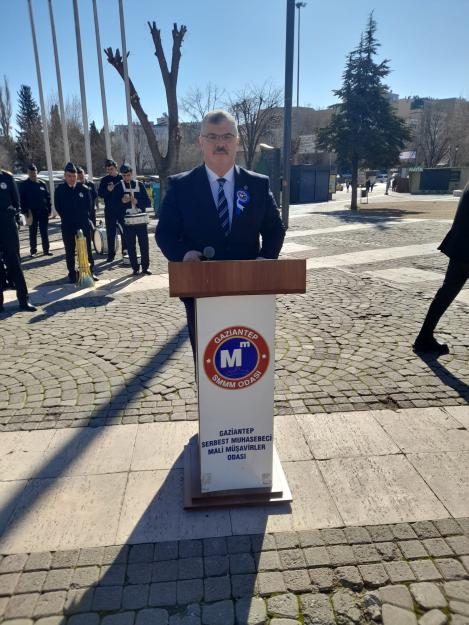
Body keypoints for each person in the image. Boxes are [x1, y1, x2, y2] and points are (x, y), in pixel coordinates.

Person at [155, 109, 285, 356]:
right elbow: (165, 234)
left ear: (237, 141)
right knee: (209, 361)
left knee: (250, 358)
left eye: (227, 136)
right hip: (201, 291)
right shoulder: (181, 186)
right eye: (212, 137)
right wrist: (184, 255)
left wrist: (264, 261)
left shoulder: (257, 185)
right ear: (201, 141)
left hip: (249, 288)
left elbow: (274, 229)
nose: (220, 143)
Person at [413, 183, 469, 355]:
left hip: (460, 246)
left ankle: (424, 337)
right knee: (446, 293)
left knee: (445, 294)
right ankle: (424, 338)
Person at [54, 162, 98, 283]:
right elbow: (58, 207)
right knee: (70, 250)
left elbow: (89, 206)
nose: (72, 178)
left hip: (83, 223)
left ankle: (90, 271)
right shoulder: (60, 190)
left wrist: (82, 217)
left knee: (87, 249)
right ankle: (72, 274)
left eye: (74, 176)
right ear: (65, 176)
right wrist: (67, 218)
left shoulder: (83, 189)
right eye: (69, 176)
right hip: (68, 225)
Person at [0, 168, 36, 312]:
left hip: (7, 226)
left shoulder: (7, 178)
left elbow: (16, 202)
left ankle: (23, 300)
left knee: (14, 262)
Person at [112, 163, 151, 276]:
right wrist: (122, 201)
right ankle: (135, 268)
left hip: (141, 221)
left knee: (144, 244)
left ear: (132, 174)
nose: (126, 178)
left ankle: (145, 267)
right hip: (127, 222)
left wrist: (137, 201)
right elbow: (114, 206)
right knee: (130, 245)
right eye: (124, 176)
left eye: (128, 175)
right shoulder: (118, 187)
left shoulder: (140, 185)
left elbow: (148, 202)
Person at [18, 163, 52, 257]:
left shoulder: (42, 184)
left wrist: (49, 209)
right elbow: (22, 199)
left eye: (34, 172)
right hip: (31, 212)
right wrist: (24, 212)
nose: (33, 174)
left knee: (44, 232)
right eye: (31, 172)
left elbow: (48, 197)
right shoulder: (24, 185)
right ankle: (33, 251)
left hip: (43, 211)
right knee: (33, 232)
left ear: (37, 172)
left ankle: (46, 250)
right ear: (28, 173)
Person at [98, 159, 125, 262]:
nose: (110, 171)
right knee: (110, 233)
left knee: (124, 232)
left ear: (116, 168)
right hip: (110, 210)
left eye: (112, 169)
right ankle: (111, 255)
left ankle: (125, 252)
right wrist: (108, 190)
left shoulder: (121, 178)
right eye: (108, 169)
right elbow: (100, 194)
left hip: (122, 209)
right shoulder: (104, 180)